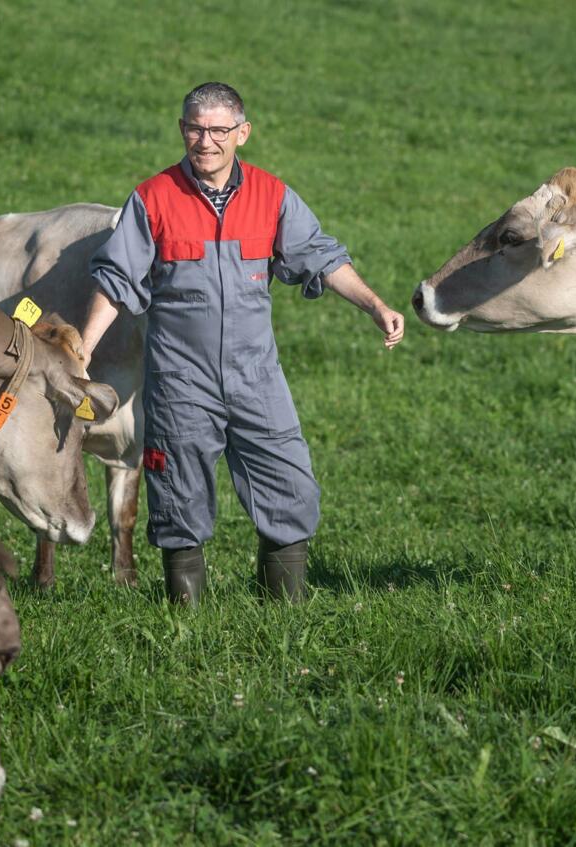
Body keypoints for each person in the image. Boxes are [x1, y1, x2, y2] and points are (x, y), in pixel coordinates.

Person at [83, 82, 404, 605]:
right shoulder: (153, 198)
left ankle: (283, 614)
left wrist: (375, 306)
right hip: (181, 380)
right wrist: (83, 349)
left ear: (242, 133)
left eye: (218, 130)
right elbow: (116, 280)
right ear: (182, 130)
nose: (204, 141)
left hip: (257, 376)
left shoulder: (272, 196)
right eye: (194, 128)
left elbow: (319, 256)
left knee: (289, 483)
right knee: (178, 496)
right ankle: (185, 622)